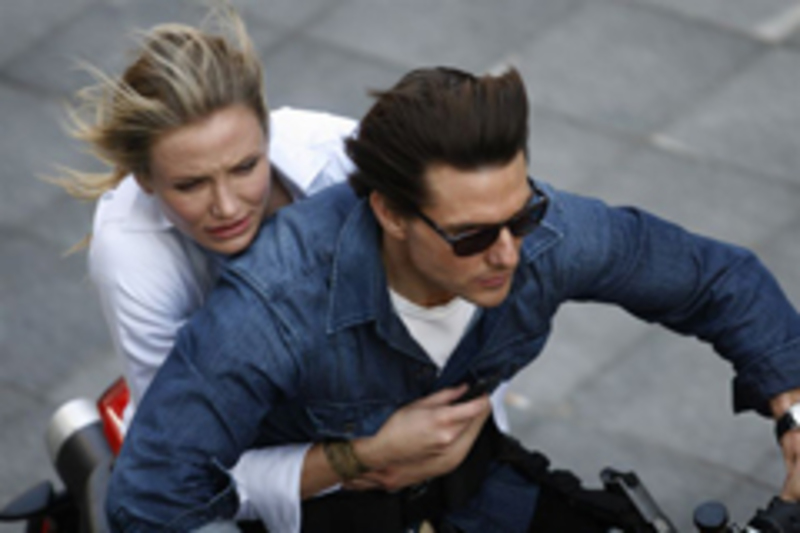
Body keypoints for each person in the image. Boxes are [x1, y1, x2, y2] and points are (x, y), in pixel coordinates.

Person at [106, 65, 800, 533]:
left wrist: (794, 411)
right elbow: (152, 493)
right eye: (470, 235)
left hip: (478, 488)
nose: (509, 254)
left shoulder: (545, 238)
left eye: (521, 215)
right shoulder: (273, 306)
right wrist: (350, 460)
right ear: (391, 213)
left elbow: (716, 280)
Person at [58, 6, 493, 532]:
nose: (227, 207)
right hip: (263, 454)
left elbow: (479, 283)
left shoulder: (343, 159)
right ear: (145, 180)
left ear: (267, 135)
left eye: (246, 167)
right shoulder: (130, 250)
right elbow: (181, 465)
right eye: (191, 185)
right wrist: (361, 457)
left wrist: (468, 427)